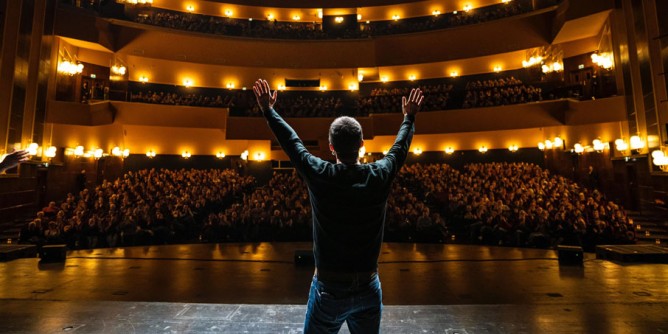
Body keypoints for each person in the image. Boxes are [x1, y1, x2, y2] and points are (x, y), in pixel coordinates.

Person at [253, 79, 423, 333]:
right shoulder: (379, 174)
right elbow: (399, 148)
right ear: (362, 144)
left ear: (332, 148)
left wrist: (269, 110)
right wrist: (408, 118)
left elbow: (293, 143)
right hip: (368, 287)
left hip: (329, 290)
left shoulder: (322, 174)